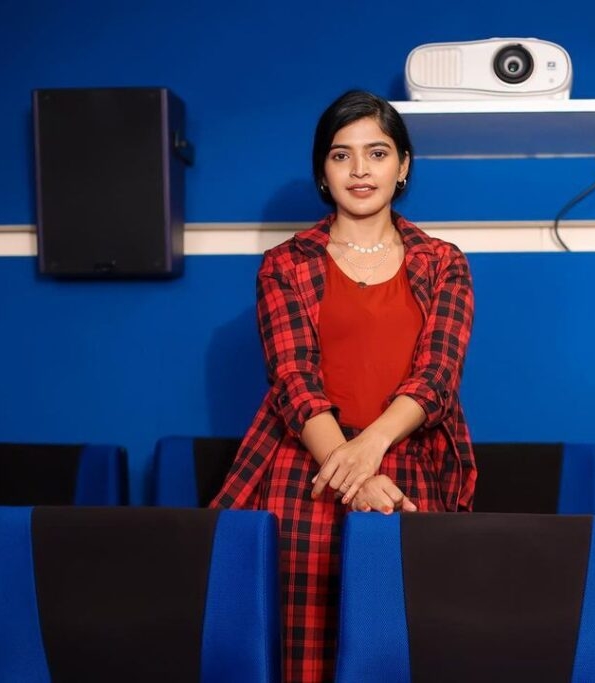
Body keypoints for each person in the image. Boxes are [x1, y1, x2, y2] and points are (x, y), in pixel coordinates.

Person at [211, 90, 477, 683]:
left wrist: (366, 454)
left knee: (404, 648)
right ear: (323, 172)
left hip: (406, 467)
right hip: (303, 471)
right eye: (341, 155)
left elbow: (437, 378)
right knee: (295, 656)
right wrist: (349, 468)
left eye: (377, 153)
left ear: (403, 165)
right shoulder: (285, 264)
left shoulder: (443, 263)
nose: (360, 170)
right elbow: (292, 380)